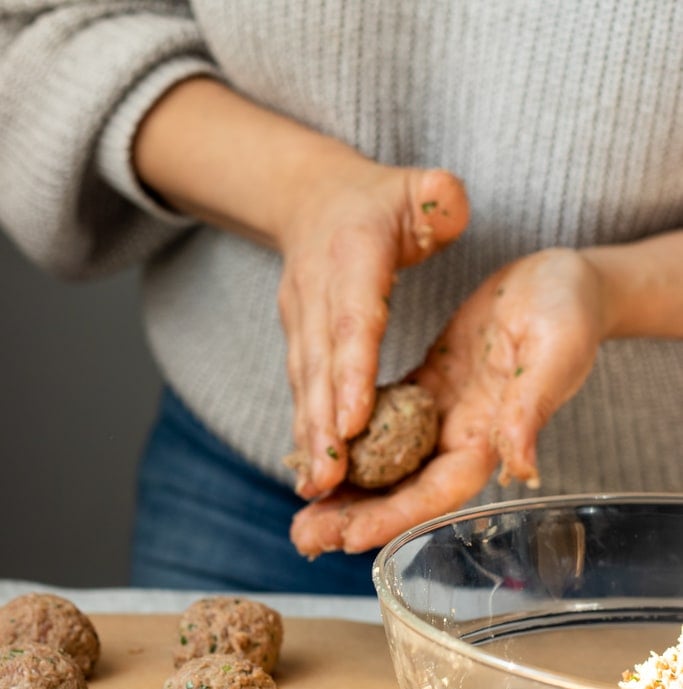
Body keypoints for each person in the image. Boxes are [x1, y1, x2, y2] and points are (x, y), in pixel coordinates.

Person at [0, 2, 681, 595]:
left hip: (645, 529)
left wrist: (610, 289)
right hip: (256, 493)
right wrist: (302, 192)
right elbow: (33, 28)